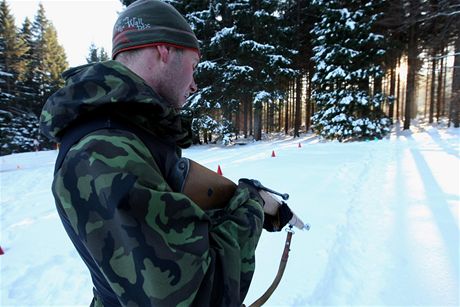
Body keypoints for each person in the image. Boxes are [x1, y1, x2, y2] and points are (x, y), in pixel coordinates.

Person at [40, 0, 293, 306]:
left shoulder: (131, 133)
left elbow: (174, 231)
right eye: (194, 65)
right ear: (164, 51)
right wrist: (251, 208)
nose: (195, 83)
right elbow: (202, 293)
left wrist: (240, 204)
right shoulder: (105, 150)